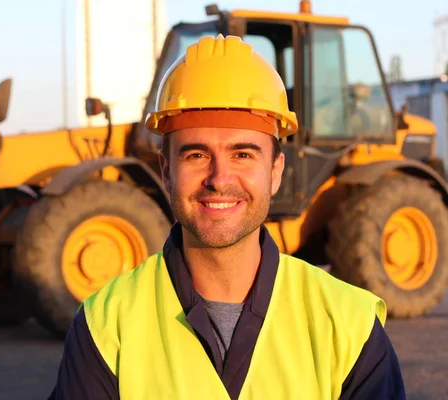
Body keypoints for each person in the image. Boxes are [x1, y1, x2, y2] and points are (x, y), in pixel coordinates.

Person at [48, 34, 406, 400]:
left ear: (276, 169)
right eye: (197, 155)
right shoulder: (107, 325)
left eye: (243, 155)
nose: (219, 179)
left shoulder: (348, 325)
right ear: (166, 170)